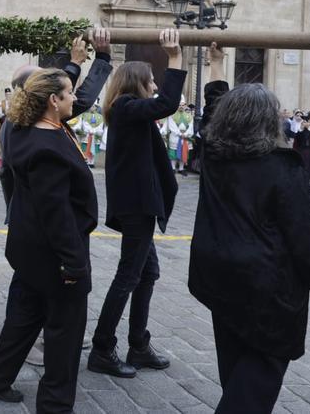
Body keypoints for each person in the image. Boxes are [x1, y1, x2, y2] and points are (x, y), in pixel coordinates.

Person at [190, 67, 310, 414]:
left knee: (235, 361)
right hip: (266, 283)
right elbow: (305, 237)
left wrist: (216, 69)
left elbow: (213, 111)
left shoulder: (214, 155)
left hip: (216, 273)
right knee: (259, 373)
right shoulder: (282, 167)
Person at [0, 68, 97, 409]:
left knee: (24, 317)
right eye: (70, 93)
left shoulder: (34, 130)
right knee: (65, 332)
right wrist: (74, 262)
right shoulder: (47, 147)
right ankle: (55, 403)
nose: (76, 99)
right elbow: (55, 214)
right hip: (54, 254)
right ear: (53, 101)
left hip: (30, 250)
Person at [88, 29, 185, 378]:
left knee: (147, 273)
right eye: (151, 81)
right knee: (128, 276)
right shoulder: (126, 107)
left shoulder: (127, 110)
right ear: (135, 84)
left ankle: (138, 345)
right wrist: (175, 58)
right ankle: (102, 347)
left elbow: (161, 104)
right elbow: (166, 104)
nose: (156, 86)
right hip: (137, 206)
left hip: (141, 204)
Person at [0, 30, 114, 214]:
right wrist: (89, 60)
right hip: (36, 215)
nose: (72, 98)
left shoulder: (19, 117)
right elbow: (81, 99)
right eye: (45, 81)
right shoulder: (23, 120)